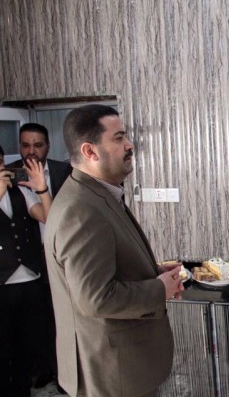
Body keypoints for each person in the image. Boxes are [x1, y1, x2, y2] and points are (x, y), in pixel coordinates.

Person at [44, 104, 184, 397]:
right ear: (90, 151)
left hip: (123, 366)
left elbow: (107, 265)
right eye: (119, 137)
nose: (130, 145)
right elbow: (95, 298)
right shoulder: (80, 209)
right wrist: (160, 289)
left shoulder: (98, 193)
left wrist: (154, 273)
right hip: (112, 372)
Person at [7, 122, 72, 389]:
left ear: (47, 146)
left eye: (37, 145)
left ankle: (66, 373)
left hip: (63, 253)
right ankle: (45, 369)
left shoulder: (64, 171)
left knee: (63, 316)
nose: (31, 151)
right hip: (29, 259)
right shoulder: (10, 175)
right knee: (39, 321)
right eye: (25, 145)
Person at [0, 145, 53, 396]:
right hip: (2, 283)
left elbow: (48, 217)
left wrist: (41, 188)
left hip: (30, 279)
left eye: (0, 162)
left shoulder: (20, 191)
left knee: (26, 344)